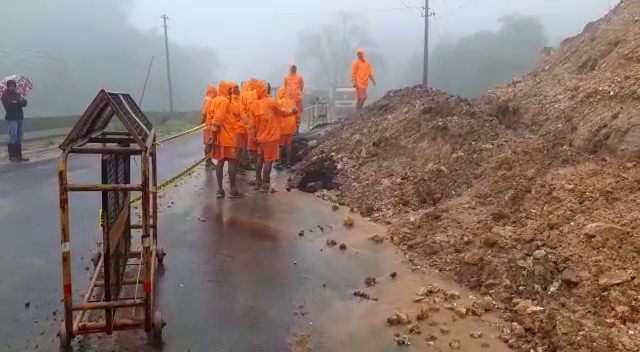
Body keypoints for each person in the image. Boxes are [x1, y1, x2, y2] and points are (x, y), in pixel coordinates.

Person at [250, 81, 296, 192]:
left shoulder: (254, 105)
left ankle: (257, 182)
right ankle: (264, 185)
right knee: (268, 161)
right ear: (266, 90)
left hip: (259, 137)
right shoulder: (272, 102)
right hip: (271, 137)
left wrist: (253, 136)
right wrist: (292, 111)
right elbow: (283, 113)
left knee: (260, 159)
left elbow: (252, 124)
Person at [207, 80, 243, 198]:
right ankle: (233, 189)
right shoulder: (225, 101)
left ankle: (220, 190)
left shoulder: (215, 100)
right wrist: (214, 131)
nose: (230, 91)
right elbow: (218, 118)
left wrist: (213, 134)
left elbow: (212, 116)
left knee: (220, 162)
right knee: (232, 162)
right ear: (224, 89)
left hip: (218, 138)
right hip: (226, 137)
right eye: (229, 89)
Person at [2, 80, 29, 162]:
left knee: (19, 136)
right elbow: (9, 105)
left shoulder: (17, 94)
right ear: (8, 86)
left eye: (13, 86)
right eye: (10, 86)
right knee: (13, 135)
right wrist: (18, 102)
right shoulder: (5, 95)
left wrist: (17, 102)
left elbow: (24, 103)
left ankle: (19, 155)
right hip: (11, 118)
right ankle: (12, 155)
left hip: (19, 117)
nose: (12, 87)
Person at [276, 87, 298, 168]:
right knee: (289, 145)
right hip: (291, 126)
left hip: (281, 127)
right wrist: (297, 125)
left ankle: (279, 162)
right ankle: (288, 162)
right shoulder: (292, 102)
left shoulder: (278, 102)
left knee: (280, 145)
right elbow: (297, 114)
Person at [240, 79, 260, 170]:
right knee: (257, 146)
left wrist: (247, 122)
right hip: (257, 123)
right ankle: (258, 169)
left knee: (245, 144)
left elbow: (242, 111)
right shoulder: (257, 93)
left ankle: (244, 162)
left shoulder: (243, 95)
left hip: (245, 123)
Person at [201, 84, 217, 170]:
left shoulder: (207, 98)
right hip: (209, 124)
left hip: (207, 124)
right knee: (209, 143)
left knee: (209, 144)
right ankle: (208, 162)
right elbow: (205, 112)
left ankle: (209, 162)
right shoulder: (210, 100)